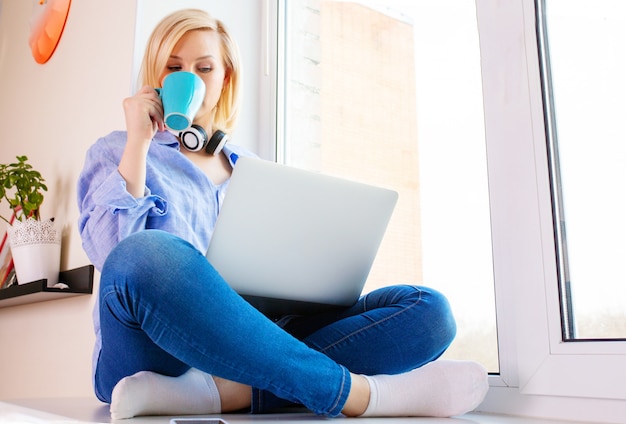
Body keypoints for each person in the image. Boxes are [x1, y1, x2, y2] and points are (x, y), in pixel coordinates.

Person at [77, 8, 488, 420]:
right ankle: (363, 396)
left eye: (205, 68)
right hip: (152, 351)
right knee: (146, 253)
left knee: (429, 312)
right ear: (157, 76)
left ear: (225, 79)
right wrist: (139, 143)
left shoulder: (253, 170)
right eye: (175, 67)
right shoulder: (119, 150)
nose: (191, 78)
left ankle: (222, 393)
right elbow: (114, 258)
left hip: (255, 341)